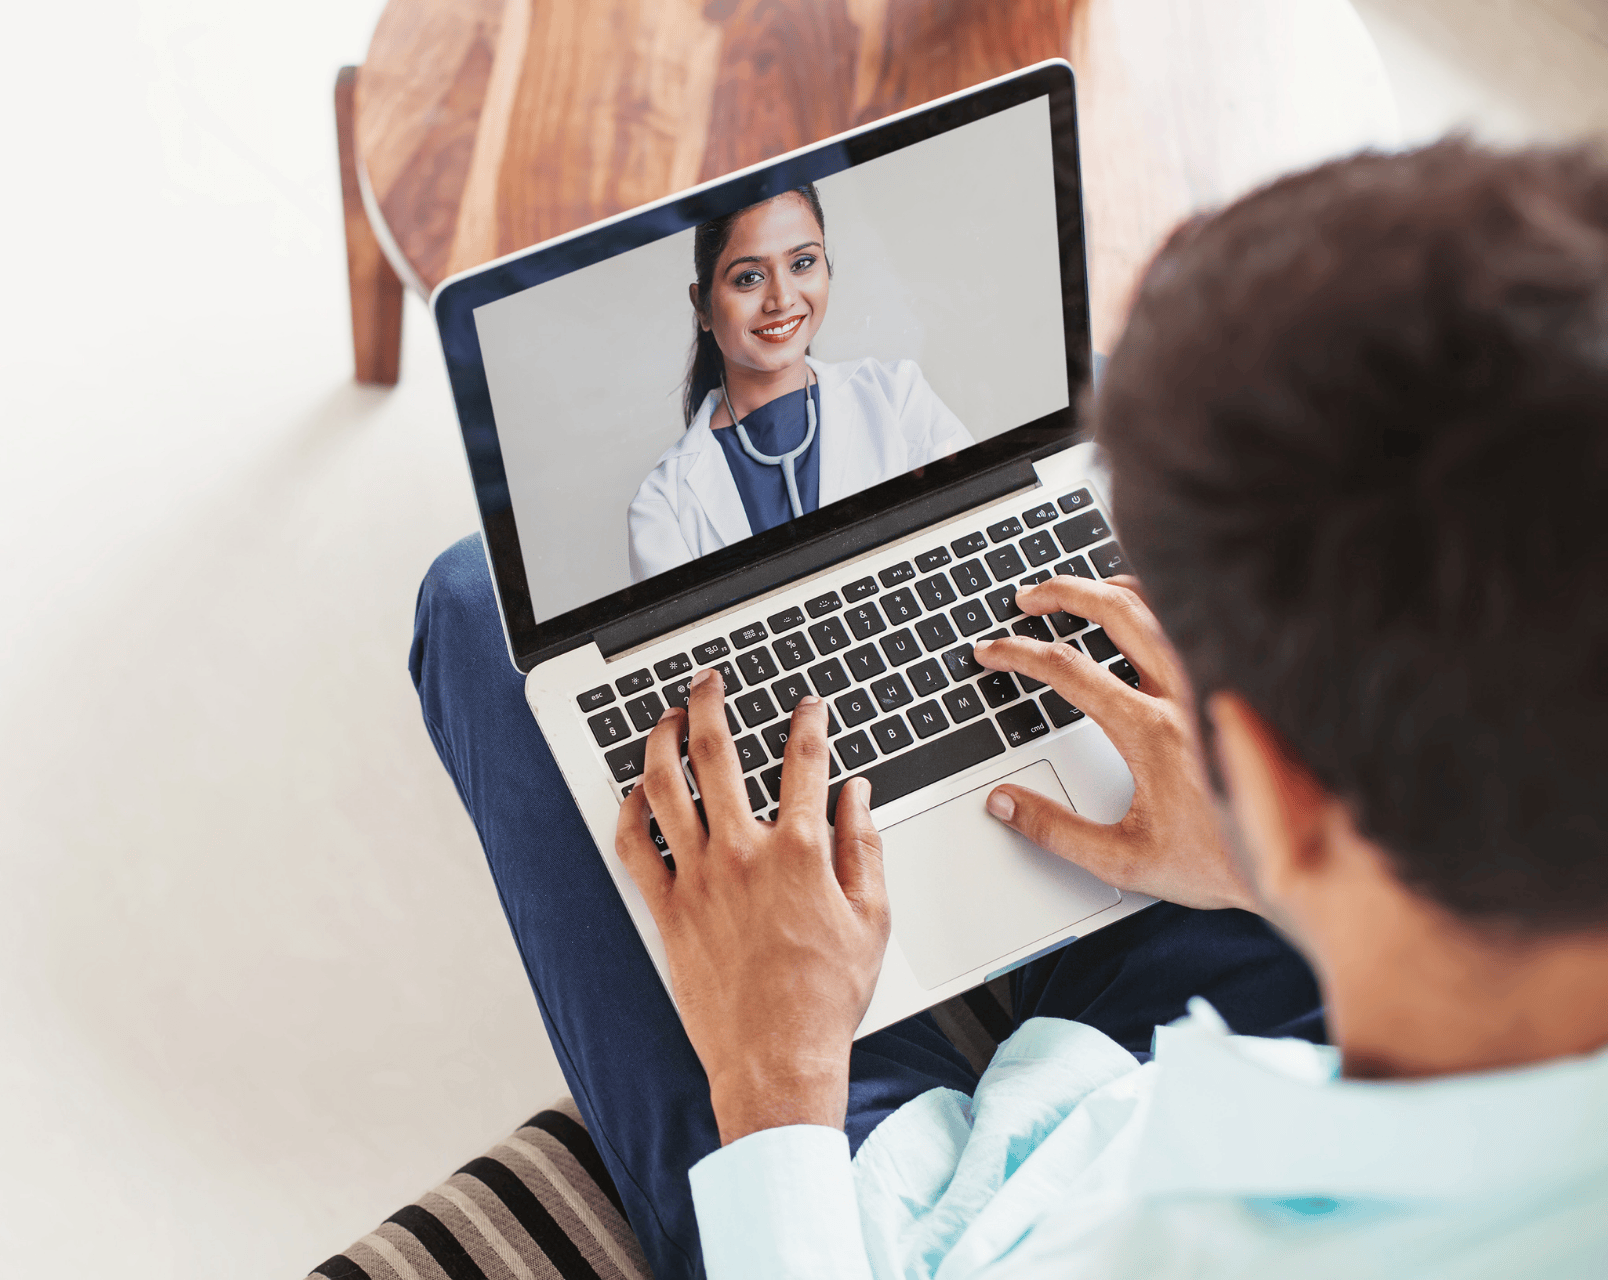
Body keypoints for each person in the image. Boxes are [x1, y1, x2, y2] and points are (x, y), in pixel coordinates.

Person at [410, 138, 1608, 1279]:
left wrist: (775, 1078)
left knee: (480, 610)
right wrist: (1261, 871)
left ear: (1285, 780)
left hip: (891, 1222)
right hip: (1265, 1049)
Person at [627, 184, 973, 582]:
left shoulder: (897, 397)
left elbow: (968, 542)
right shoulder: (662, 504)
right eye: (749, 277)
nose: (782, 298)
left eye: (803, 263)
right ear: (702, 305)